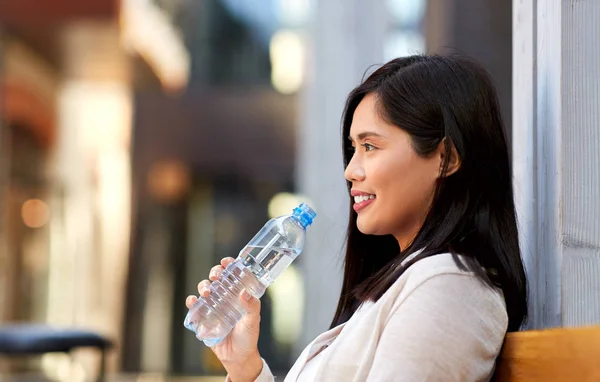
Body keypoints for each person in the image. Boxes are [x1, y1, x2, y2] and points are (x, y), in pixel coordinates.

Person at [185, 54, 528, 381]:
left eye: (370, 146)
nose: (350, 171)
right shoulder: (404, 282)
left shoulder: (451, 287)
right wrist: (246, 368)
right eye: (353, 148)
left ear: (446, 158)